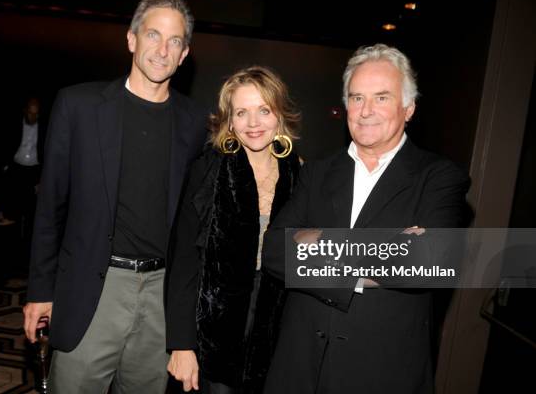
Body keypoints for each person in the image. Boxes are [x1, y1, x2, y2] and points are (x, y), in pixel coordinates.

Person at [22, 0, 207, 393]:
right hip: (94, 287)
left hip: (160, 296)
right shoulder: (79, 106)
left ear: (184, 53)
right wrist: (40, 290)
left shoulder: (196, 123)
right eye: (153, 35)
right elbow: (50, 206)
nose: (162, 49)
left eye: (174, 40)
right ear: (131, 39)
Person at [261, 44, 470, 394]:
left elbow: (428, 260)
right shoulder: (316, 173)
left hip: (381, 373)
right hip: (298, 369)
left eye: (382, 98)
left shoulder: (439, 177)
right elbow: (272, 252)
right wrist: (388, 246)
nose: (366, 110)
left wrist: (319, 239)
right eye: (357, 98)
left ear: (409, 108)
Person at [166, 66, 301, 394]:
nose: (253, 123)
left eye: (263, 110)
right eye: (242, 112)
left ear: (279, 114)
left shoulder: (299, 174)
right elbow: (184, 260)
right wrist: (182, 346)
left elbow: (310, 252)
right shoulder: (207, 171)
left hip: (273, 331)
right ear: (229, 120)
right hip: (212, 332)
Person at [0, 97, 46, 242]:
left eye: (36, 114)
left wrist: (41, 176)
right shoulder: (14, 124)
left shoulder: (44, 128)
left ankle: (26, 242)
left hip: (33, 171)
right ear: (25, 111)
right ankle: (10, 239)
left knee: (31, 208)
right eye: (31, 113)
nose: (34, 117)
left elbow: (48, 151)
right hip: (16, 169)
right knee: (12, 206)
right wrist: (6, 167)